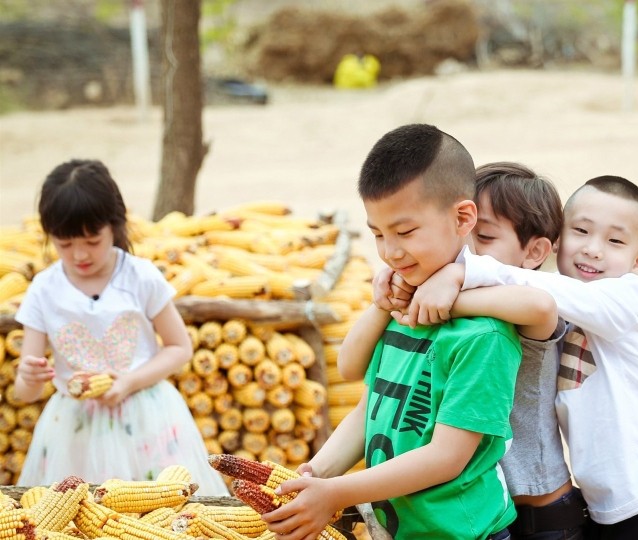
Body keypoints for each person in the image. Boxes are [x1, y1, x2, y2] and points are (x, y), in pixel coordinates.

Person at [262, 124, 555, 540]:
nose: (390, 252)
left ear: (462, 218)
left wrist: (336, 493)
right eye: (378, 234)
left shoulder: (484, 334)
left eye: (404, 232)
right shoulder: (402, 308)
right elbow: (371, 408)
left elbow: (446, 458)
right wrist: (316, 472)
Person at [407, 175, 638, 539]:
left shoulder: (624, 297)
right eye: (581, 231)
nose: (593, 249)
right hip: (602, 504)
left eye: (615, 241)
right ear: (557, 241)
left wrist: (465, 274)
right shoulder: (553, 296)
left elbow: (544, 296)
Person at [339, 161, 588, 540]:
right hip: (485, 504)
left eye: (484, 238)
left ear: (535, 250)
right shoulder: (451, 306)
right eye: (464, 234)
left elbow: (540, 308)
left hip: (542, 512)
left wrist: (445, 294)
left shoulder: (515, 305)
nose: (467, 253)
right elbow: (351, 368)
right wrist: (389, 303)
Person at [13, 159, 229, 496]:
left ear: (114, 225)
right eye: (64, 244)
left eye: (92, 240)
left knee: (162, 513)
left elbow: (179, 348)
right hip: (73, 429)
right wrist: (28, 378)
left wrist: (128, 382)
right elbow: (26, 392)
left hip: (146, 417)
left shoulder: (140, 277)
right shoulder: (44, 289)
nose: (79, 255)